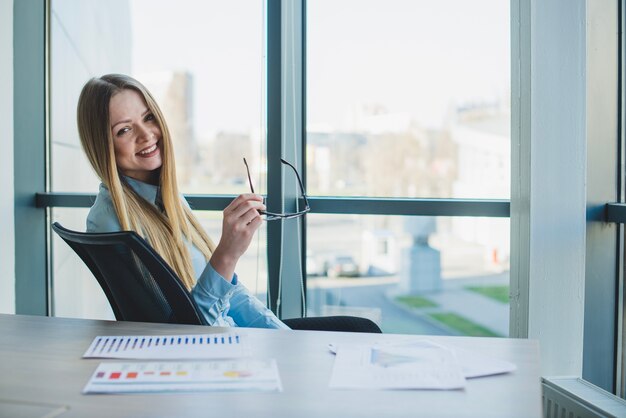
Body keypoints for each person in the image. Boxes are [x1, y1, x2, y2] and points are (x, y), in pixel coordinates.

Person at [77, 73, 288, 329]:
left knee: (346, 329)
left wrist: (284, 337)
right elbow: (179, 333)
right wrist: (226, 256)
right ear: (103, 145)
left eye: (148, 118)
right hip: (213, 355)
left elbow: (233, 298)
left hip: (234, 338)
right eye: (124, 130)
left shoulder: (168, 197)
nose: (146, 135)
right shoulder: (109, 223)